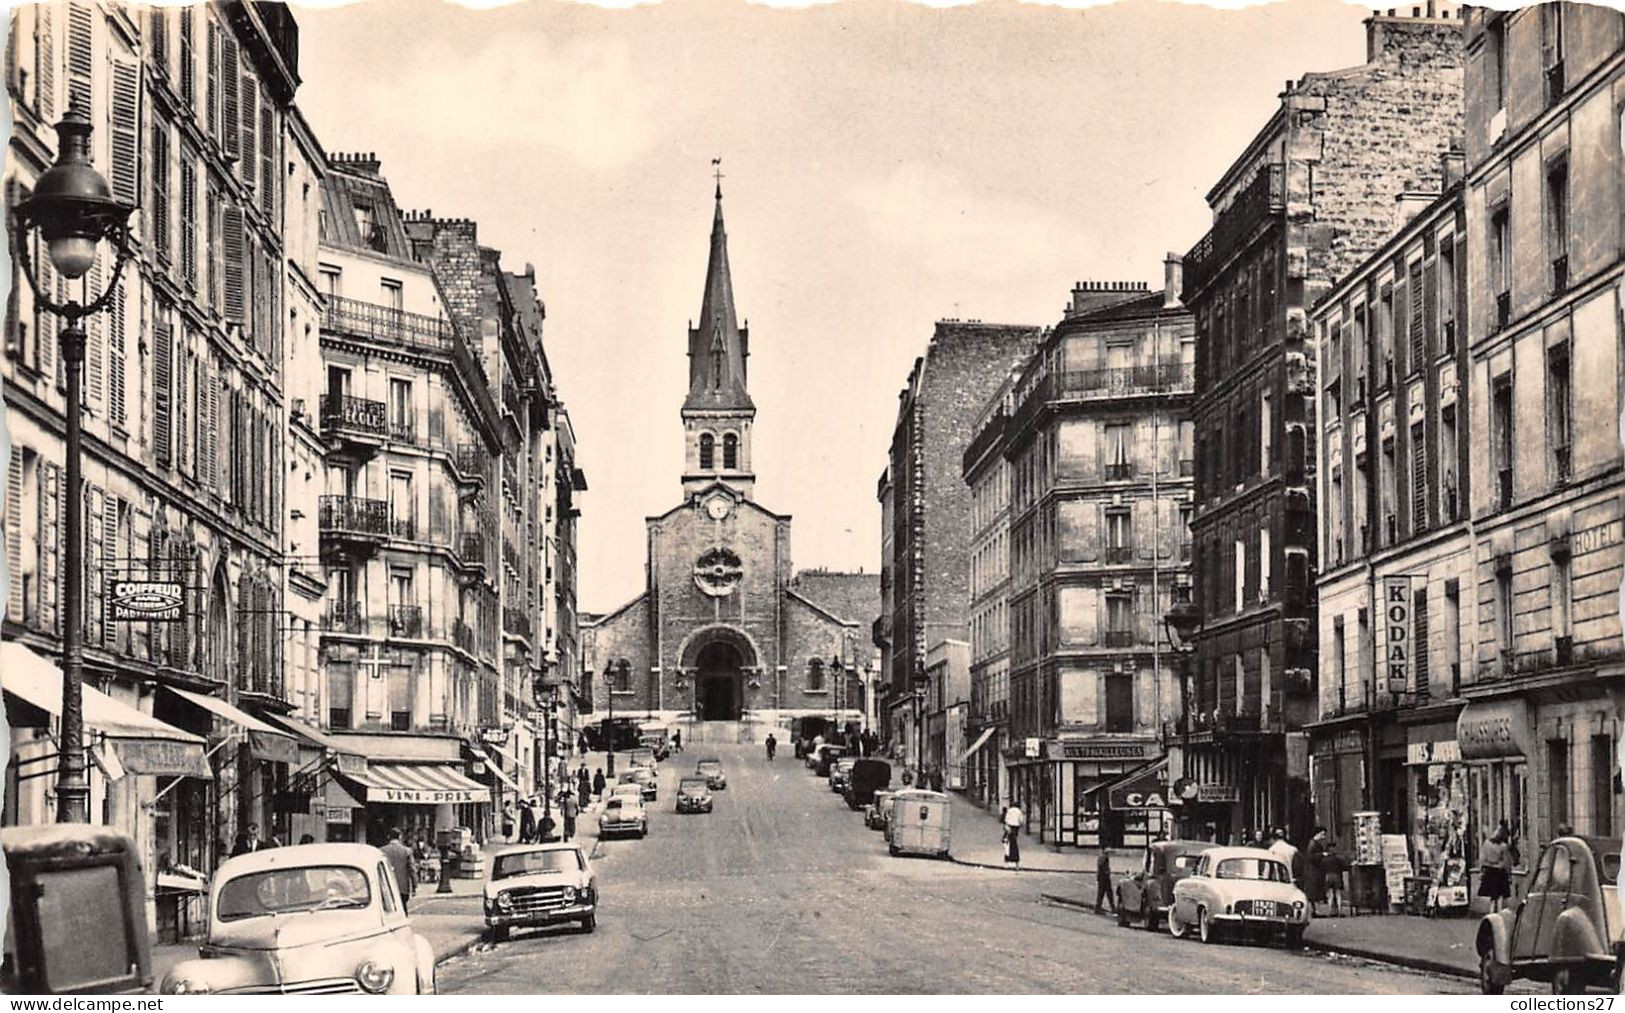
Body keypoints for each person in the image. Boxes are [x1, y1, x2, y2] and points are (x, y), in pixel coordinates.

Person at [1479, 825, 1513, 913]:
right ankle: (1499, 911)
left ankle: (1491, 910)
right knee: (1501, 894)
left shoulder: (1486, 843)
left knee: (1492, 895)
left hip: (1489, 870)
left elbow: (1482, 858)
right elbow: (1506, 862)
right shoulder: (1503, 846)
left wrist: (1482, 869)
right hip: (1499, 871)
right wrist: (1509, 875)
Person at [381, 829, 415, 913]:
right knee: (402, 909)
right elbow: (412, 869)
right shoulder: (407, 851)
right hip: (402, 886)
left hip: (386, 885)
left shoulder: (381, 850)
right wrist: (414, 886)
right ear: (400, 837)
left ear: (389, 837)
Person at [1305, 827, 1329, 916]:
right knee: (1315, 890)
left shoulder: (1314, 843)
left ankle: (1315, 910)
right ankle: (1315, 910)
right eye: (1322, 834)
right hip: (1314, 870)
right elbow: (1310, 857)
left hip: (1316, 870)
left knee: (1315, 890)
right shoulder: (1312, 844)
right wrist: (1322, 855)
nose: (1323, 836)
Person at [1095, 848, 1116, 913]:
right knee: (1108, 893)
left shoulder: (1102, 856)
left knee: (1101, 893)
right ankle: (1112, 908)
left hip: (1101, 877)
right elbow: (1102, 867)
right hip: (1104, 878)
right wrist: (1107, 872)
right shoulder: (1104, 857)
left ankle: (1098, 907)